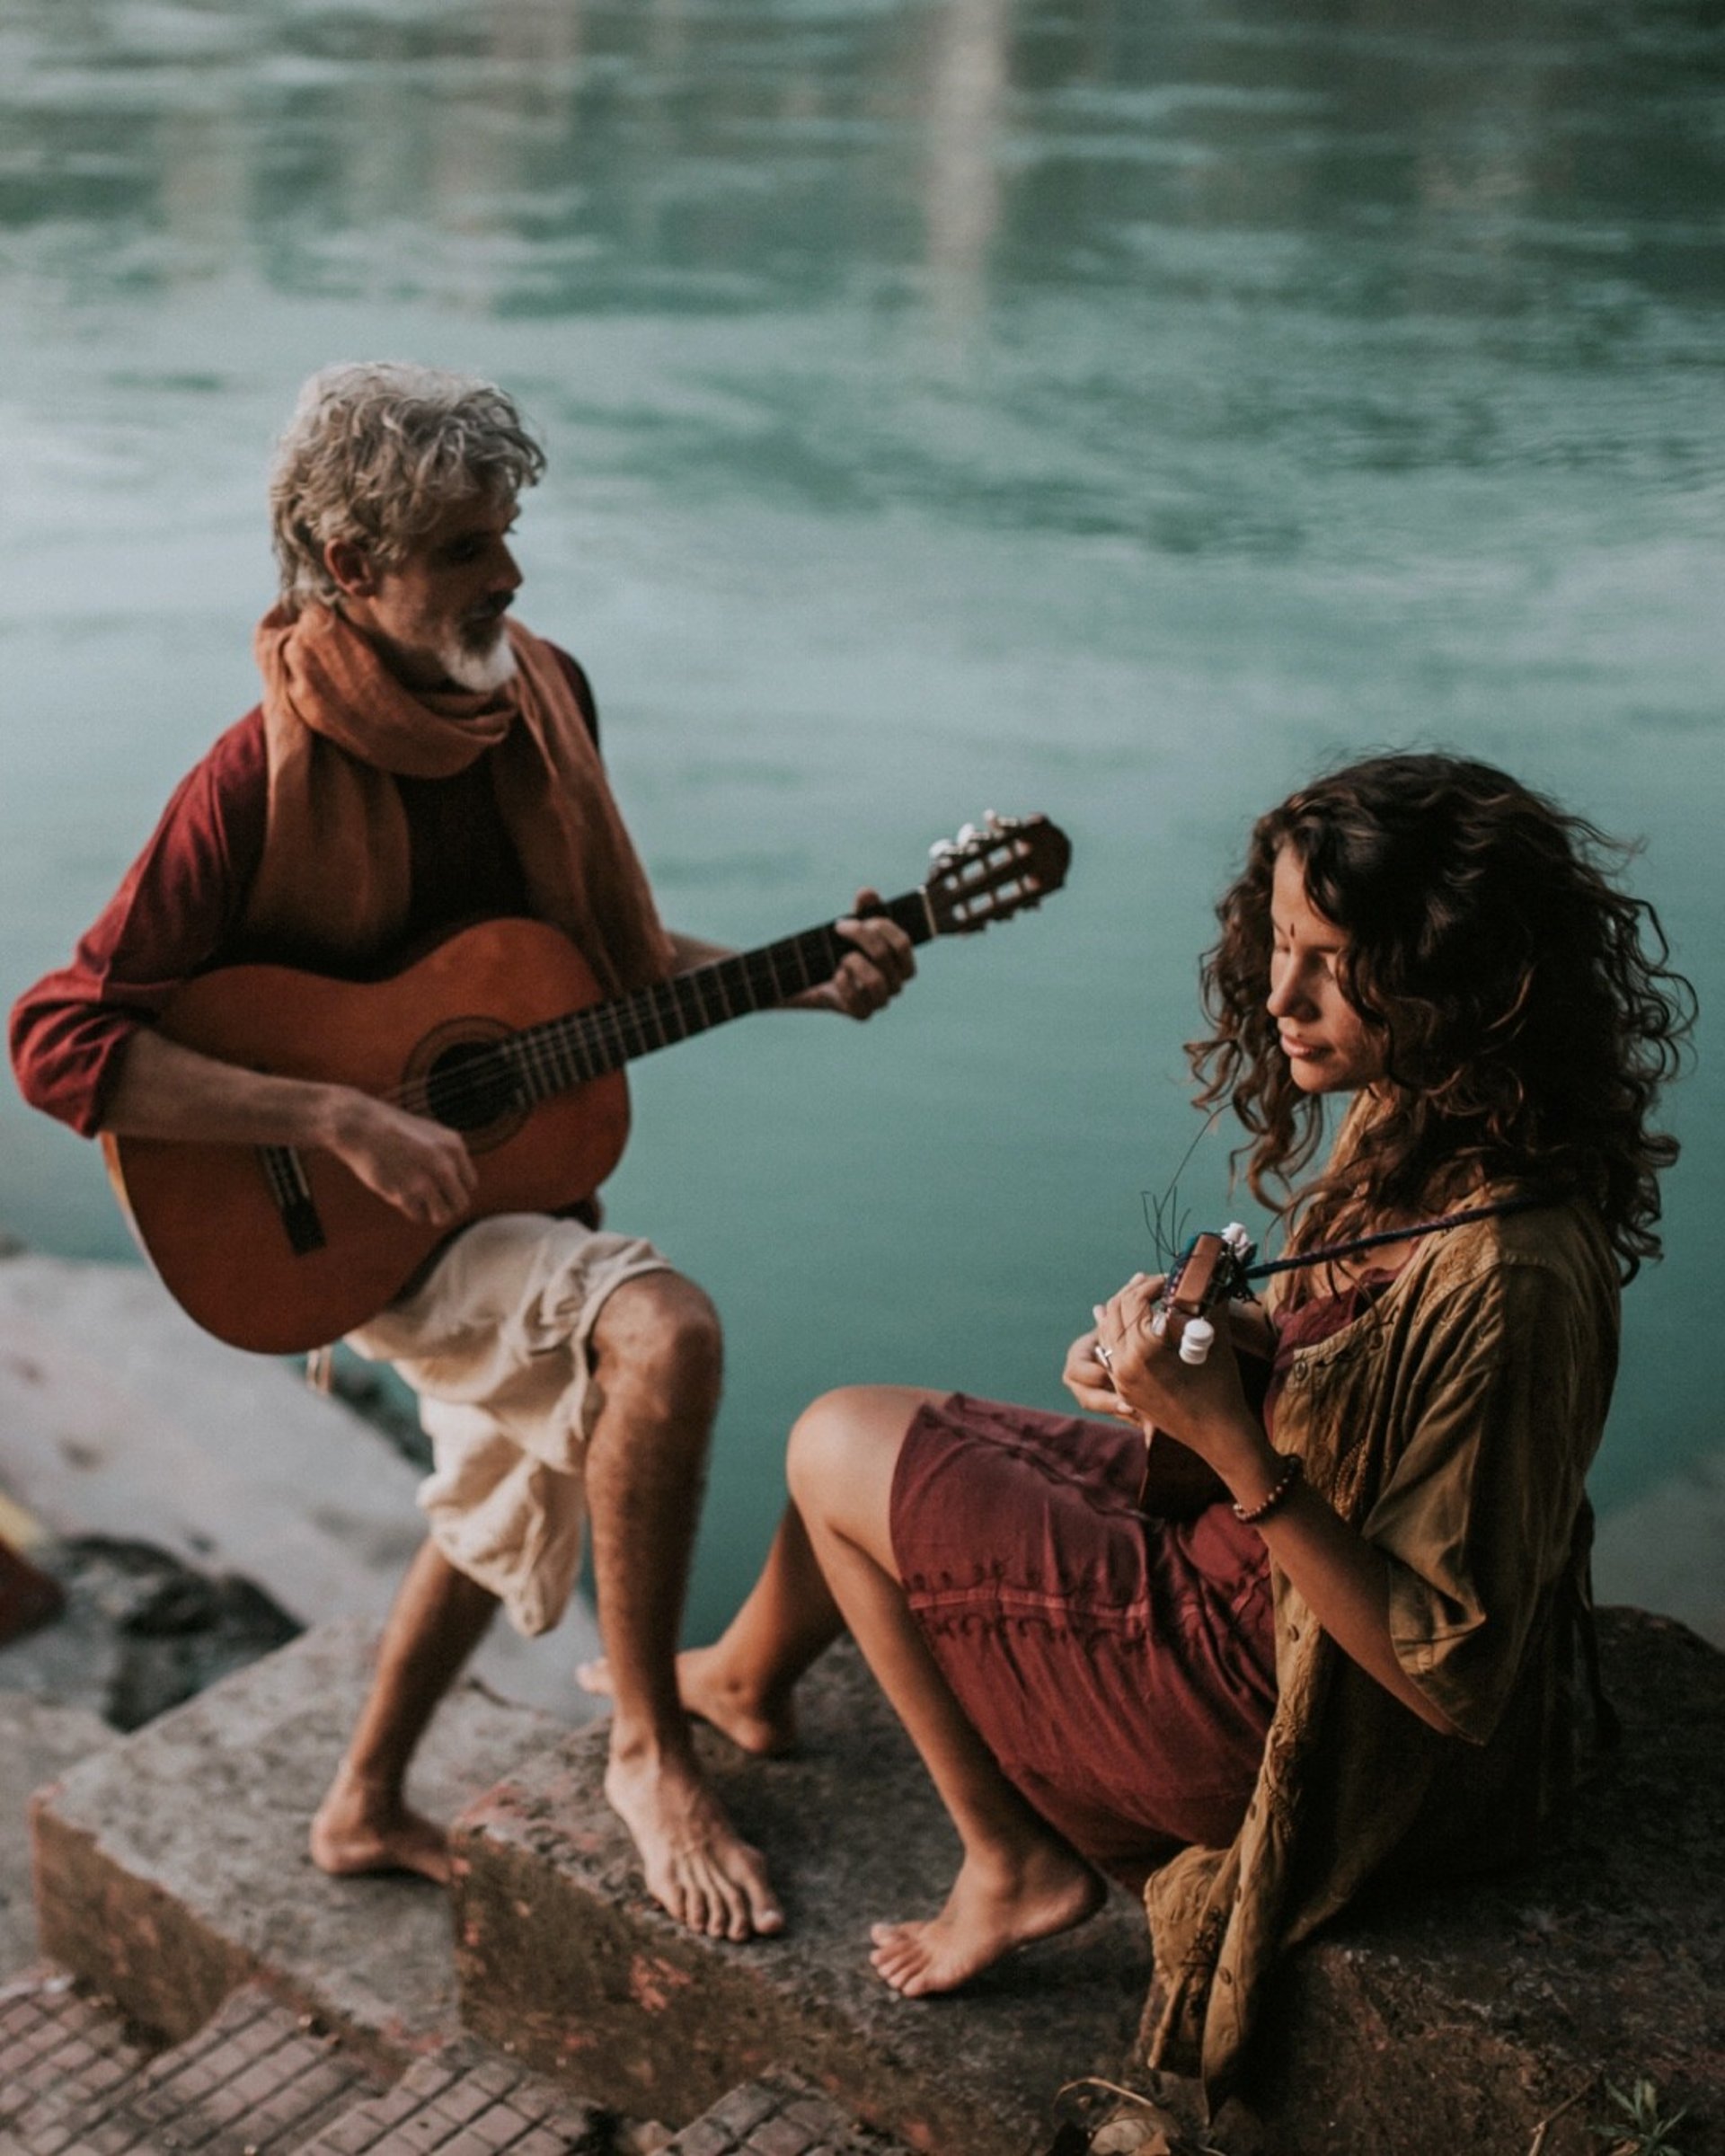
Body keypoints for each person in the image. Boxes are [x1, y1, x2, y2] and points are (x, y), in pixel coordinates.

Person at [582, 752, 1692, 2095]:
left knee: (832, 1442)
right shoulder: (1419, 1116)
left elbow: (1447, 1676)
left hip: (1290, 1702)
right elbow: (1354, 1399)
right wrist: (1193, 1371)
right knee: (902, 1430)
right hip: (1267, 1558)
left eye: (1333, 964)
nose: (1281, 998)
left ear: (1461, 977)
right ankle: (747, 1678)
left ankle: (1014, 1864)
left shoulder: (1510, 1277)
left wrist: (1233, 1445)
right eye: (1281, 945)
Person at [8, 361, 916, 1942]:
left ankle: (360, 1801)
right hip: (322, 1211)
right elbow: (57, 1040)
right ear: (350, 569)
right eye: (461, 545)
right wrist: (329, 1111)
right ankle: (647, 1748)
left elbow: (600, 965)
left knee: (503, 1470)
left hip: (485, 1192)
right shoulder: (256, 779)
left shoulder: (537, 694)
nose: (508, 571)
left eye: (506, 530)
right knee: (664, 1334)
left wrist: (799, 978)